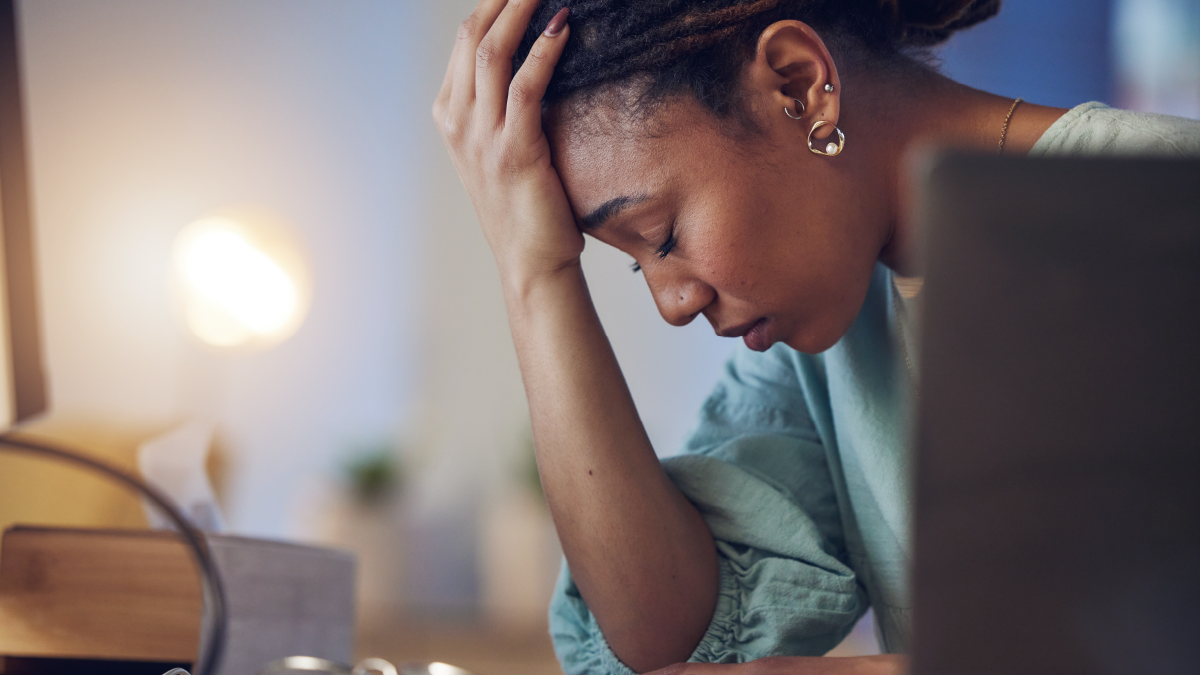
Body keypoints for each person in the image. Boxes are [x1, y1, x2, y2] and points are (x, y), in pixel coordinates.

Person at [432, 1, 1200, 673]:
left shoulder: (1166, 207)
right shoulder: (825, 341)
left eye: (661, 236)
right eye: (634, 266)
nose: (672, 302)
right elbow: (666, 630)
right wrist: (535, 272)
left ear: (800, 85)